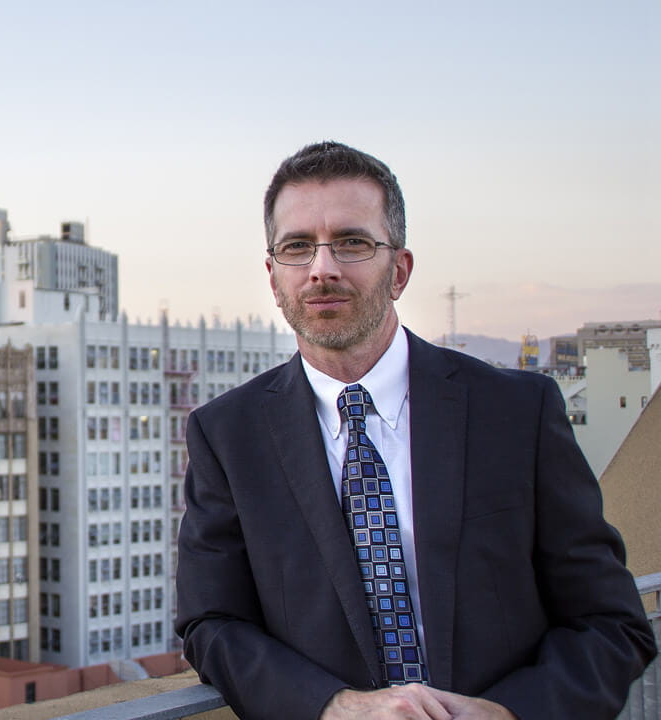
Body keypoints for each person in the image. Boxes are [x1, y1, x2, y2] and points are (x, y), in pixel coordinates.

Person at [174, 141, 656, 720]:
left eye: (352, 242)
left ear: (399, 271)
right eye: (297, 247)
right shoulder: (228, 435)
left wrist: (509, 713)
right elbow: (212, 623)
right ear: (274, 278)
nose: (322, 268)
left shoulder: (517, 411)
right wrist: (333, 707)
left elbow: (610, 622)